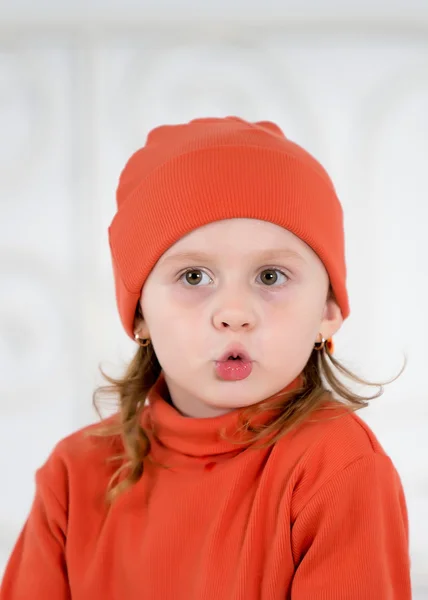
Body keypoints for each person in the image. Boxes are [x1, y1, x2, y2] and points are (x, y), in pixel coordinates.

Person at [0, 117, 411, 599]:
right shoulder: (75, 473)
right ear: (140, 316)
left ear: (328, 310)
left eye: (271, 276)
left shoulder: (338, 469)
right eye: (194, 277)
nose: (234, 314)